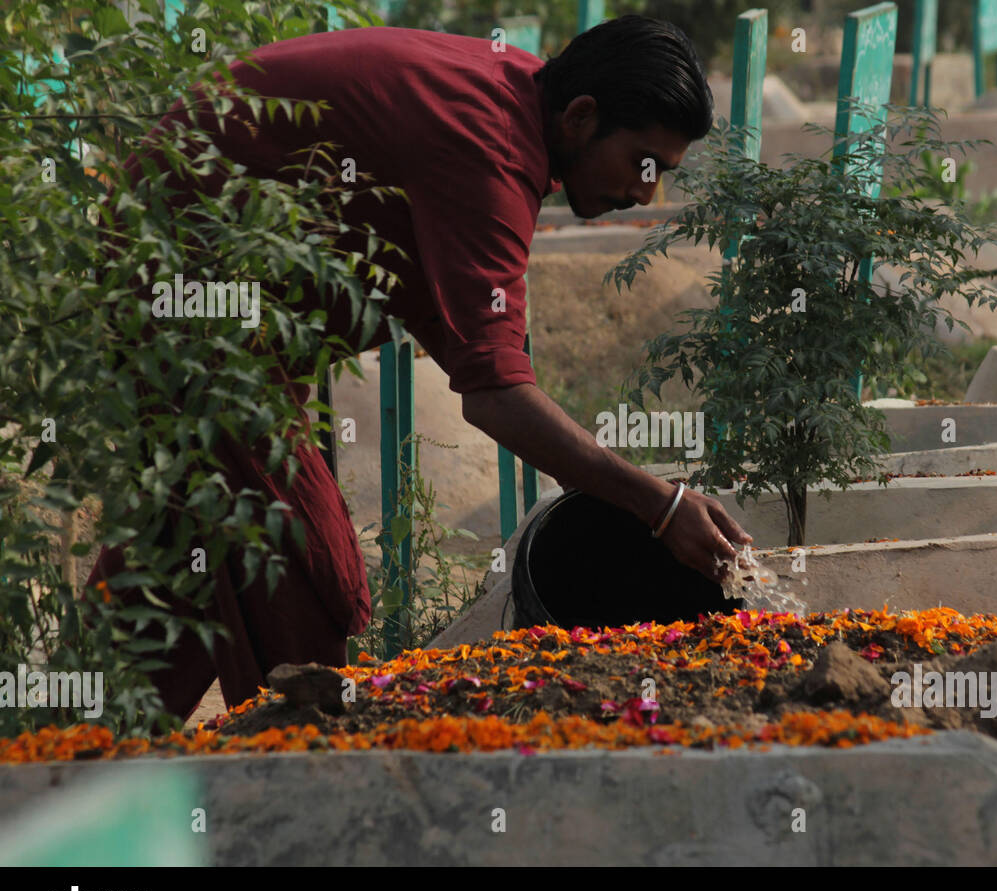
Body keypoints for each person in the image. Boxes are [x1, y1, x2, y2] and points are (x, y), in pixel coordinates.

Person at [84, 15, 753, 722]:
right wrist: (659, 505)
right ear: (583, 117)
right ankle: (301, 778)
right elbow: (494, 393)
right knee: (304, 566)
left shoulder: (509, 101)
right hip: (187, 299)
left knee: (185, 560)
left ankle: (69, 764)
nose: (646, 193)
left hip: (212, 296)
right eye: (645, 162)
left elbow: (474, 345)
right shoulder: (490, 145)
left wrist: (619, 490)